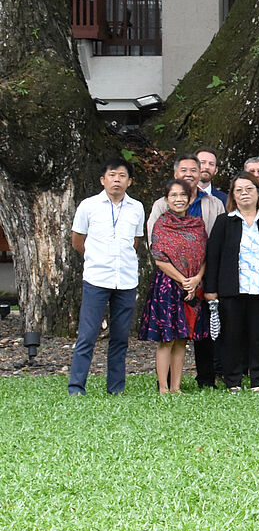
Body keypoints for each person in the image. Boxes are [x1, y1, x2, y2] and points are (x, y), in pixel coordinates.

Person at [202, 175, 259, 393]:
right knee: (232, 336)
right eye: (238, 190)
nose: (244, 193)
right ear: (233, 195)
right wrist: (210, 289)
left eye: (249, 189)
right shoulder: (225, 221)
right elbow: (213, 257)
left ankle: (257, 381)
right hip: (231, 289)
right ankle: (233, 382)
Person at [68, 161, 144, 396]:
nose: (117, 180)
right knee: (88, 335)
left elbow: (135, 241)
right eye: (112, 175)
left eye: (123, 176)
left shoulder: (137, 207)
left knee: (120, 337)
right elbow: (78, 241)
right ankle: (76, 387)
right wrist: (96, 257)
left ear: (129, 181)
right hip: (96, 278)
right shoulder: (89, 206)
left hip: (126, 280)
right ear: (103, 180)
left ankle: (116, 388)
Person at [144, 180, 206, 393]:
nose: (178, 199)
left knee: (182, 339)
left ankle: (176, 387)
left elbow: (205, 255)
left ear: (190, 199)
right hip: (169, 287)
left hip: (193, 287)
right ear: (166, 199)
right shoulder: (161, 223)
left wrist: (196, 278)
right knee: (166, 339)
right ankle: (163, 387)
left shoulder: (198, 224)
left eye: (183, 195)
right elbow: (159, 258)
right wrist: (182, 279)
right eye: (173, 195)